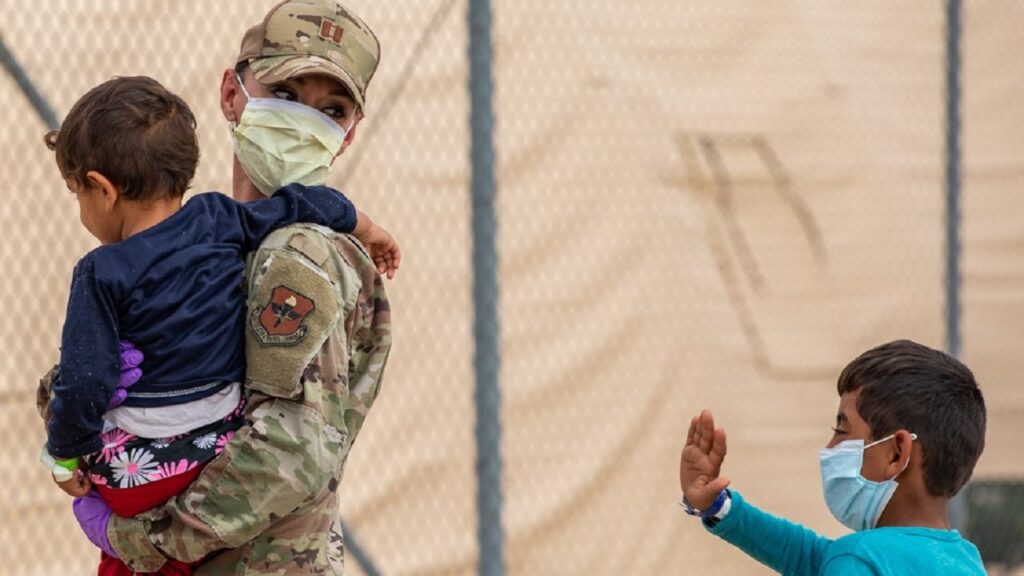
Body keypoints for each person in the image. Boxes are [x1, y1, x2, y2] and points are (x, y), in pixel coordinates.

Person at [59, 1, 395, 574]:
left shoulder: (296, 254)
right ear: (231, 94)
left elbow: (291, 451)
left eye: (331, 110)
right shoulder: (213, 237)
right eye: (285, 94)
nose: (303, 121)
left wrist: (137, 539)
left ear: (349, 134)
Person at [679, 339, 988, 575]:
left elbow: (832, 559)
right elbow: (810, 555)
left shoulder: (858, 559)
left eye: (841, 430)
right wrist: (719, 507)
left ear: (896, 453)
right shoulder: (964, 560)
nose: (830, 446)